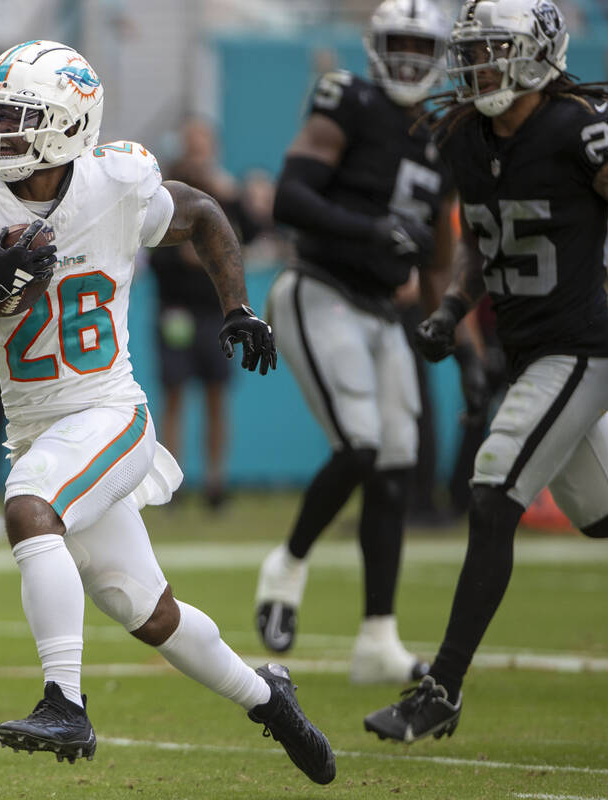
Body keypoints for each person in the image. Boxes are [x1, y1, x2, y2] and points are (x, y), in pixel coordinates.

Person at [0, 40, 334, 784]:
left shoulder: (116, 182)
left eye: (15, 121)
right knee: (146, 610)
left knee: (28, 505)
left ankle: (65, 703)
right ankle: (267, 696)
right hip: (41, 429)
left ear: (62, 127)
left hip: (111, 413)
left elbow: (206, 214)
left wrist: (237, 306)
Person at [364, 0, 608, 743]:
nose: (478, 65)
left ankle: (441, 690)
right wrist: (452, 312)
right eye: (475, 50)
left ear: (537, 54)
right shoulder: (465, 134)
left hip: (579, 351)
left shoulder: (576, 126)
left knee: (491, 494)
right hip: (532, 355)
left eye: (494, 50)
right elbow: (485, 240)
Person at [256, 0, 457, 685]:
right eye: (395, 44)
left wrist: (451, 330)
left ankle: (377, 638)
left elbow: (438, 254)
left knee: (398, 468)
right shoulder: (347, 99)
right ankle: (286, 567)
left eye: (418, 46)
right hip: (320, 288)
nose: (406, 59)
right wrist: (370, 230)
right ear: (374, 47)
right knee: (363, 444)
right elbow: (288, 198)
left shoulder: (444, 134)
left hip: (382, 310)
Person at [149, 118, 261, 511]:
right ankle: (170, 487)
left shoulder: (223, 192)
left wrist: (238, 195)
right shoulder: (165, 189)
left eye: (204, 143)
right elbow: (153, 251)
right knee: (175, 397)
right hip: (176, 311)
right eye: (192, 142)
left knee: (216, 397)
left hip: (214, 312)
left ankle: (215, 484)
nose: (198, 151)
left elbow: (250, 232)